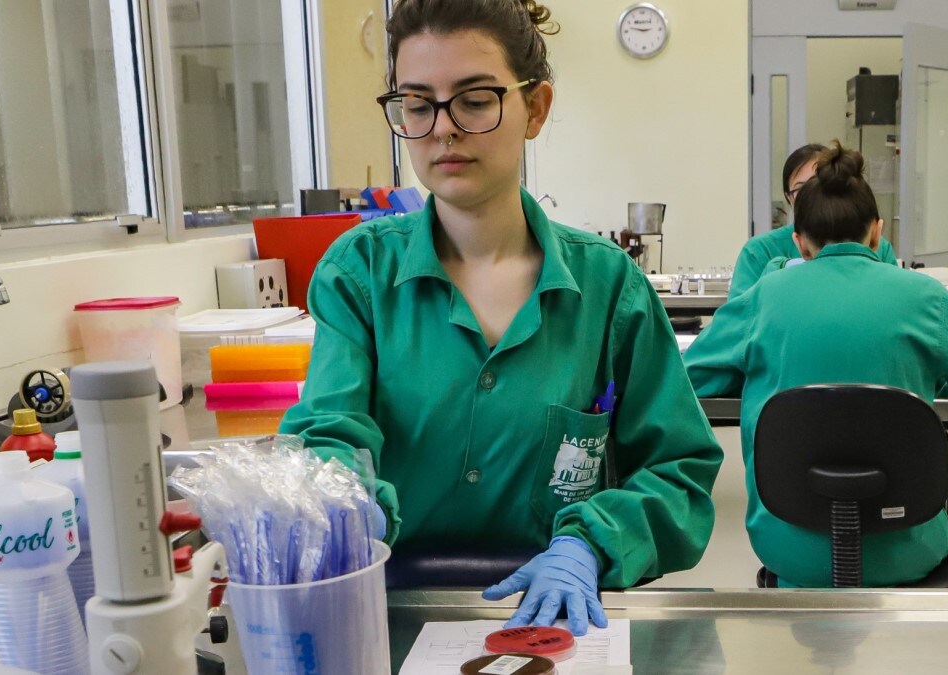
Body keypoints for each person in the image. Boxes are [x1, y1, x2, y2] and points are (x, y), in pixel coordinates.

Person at [279, 0, 722, 635]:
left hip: (560, 614)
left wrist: (590, 544)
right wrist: (344, 507)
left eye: (475, 99)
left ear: (535, 108)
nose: (443, 129)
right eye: (417, 102)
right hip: (388, 608)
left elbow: (679, 471)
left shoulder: (607, 288)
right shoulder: (360, 275)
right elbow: (330, 434)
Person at [683, 142, 948, 587]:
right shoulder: (923, 299)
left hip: (790, 550)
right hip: (907, 553)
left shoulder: (762, 298)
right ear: (876, 232)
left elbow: (688, 380)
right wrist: (935, 367)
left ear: (799, 243)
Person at [729, 143, 899, 300]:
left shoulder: (881, 249)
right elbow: (737, 318)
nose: (814, 196)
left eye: (820, 184)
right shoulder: (760, 251)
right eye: (802, 189)